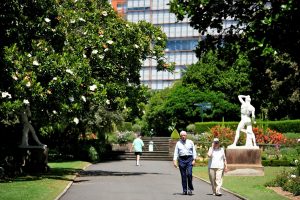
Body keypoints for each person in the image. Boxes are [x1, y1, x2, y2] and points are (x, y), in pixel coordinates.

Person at [173, 131, 197, 195]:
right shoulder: (178, 143)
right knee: (183, 176)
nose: (183, 136)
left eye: (184, 135)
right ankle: (184, 190)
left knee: (189, 174)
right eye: (182, 135)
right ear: (180, 136)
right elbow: (176, 153)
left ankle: (190, 188)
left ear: (186, 136)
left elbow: (194, 151)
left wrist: (194, 159)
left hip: (189, 159)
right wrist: (175, 161)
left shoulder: (190, 142)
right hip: (181, 160)